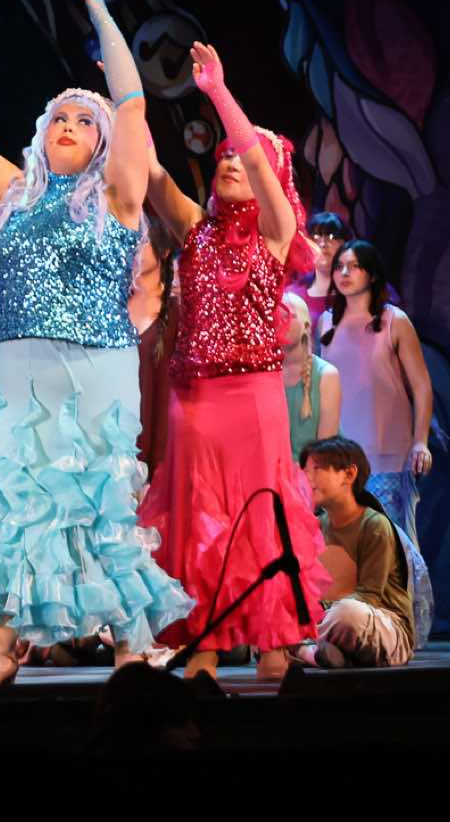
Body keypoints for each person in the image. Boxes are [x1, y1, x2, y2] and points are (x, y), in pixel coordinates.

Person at [0, 0, 190, 681]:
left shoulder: (118, 195)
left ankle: (130, 643)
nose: (69, 126)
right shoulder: (10, 195)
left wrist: (103, 16)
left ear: (103, 141)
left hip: (94, 365)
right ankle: (2, 647)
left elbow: (131, 101)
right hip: (17, 369)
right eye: (60, 116)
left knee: (97, 505)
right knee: (13, 510)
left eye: (84, 121)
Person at [137, 39, 330, 682]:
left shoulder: (277, 233)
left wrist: (218, 92)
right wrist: (126, 101)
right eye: (220, 158)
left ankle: (274, 639)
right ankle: (207, 639)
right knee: (198, 519)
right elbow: (152, 174)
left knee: (260, 513)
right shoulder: (195, 228)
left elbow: (254, 156)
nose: (229, 163)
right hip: (192, 400)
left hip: (252, 397)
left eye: (240, 161)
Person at [317, 240, 434, 549]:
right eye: (340, 266)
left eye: (354, 266)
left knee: (391, 546)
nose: (344, 273)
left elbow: (422, 385)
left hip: (387, 455)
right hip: (341, 458)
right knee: (345, 547)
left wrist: (420, 441)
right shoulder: (325, 322)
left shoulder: (394, 321)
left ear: (371, 274)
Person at [296, 436, 414, 668]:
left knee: (347, 614)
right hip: (331, 622)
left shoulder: (374, 526)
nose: (308, 478)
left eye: (317, 469)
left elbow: (369, 596)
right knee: (278, 614)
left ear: (349, 474)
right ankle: (325, 655)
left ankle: (303, 650)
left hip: (381, 623)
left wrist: (314, 618)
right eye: (306, 471)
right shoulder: (315, 527)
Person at [282, 291, 340, 454]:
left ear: (306, 326)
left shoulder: (326, 374)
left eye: (287, 316)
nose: (280, 322)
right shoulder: (265, 375)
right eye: (275, 317)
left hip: (313, 467)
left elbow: (325, 448)